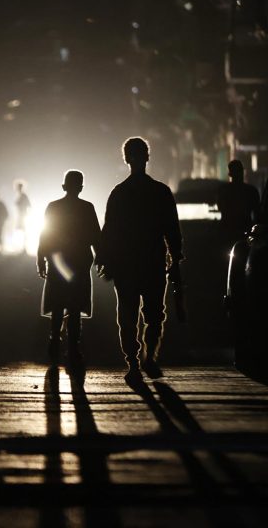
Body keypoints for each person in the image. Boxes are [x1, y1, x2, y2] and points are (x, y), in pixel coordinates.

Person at [97, 137, 183, 384]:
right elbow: (172, 229)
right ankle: (149, 357)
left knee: (127, 314)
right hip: (153, 262)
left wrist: (104, 258)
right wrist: (175, 258)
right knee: (155, 314)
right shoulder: (161, 192)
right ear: (147, 157)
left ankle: (133, 361)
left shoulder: (119, 193)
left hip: (126, 265)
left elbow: (109, 230)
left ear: (127, 159)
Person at [37, 170, 101, 369]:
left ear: (64, 186)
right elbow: (96, 237)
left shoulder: (53, 207)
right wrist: (102, 258)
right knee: (75, 309)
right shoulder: (87, 208)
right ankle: (73, 349)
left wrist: (41, 258)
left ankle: (54, 344)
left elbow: (45, 235)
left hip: (57, 263)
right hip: (80, 264)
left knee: (57, 307)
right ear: (81, 187)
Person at [217, 160, 260, 248]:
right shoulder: (251, 191)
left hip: (229, 231)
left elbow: (221, 208)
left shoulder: (223, 191)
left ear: (230, 174)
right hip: (244, 230)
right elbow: (257, 213)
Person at [13, 180, 32, 253]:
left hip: (22, 216)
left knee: (23, 231)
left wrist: (25, 212)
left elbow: (29, 205)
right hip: (21, 215)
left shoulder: (23, 196)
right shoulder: (21, 196)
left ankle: (24, 247)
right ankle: (22, 247)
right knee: (21, 231)